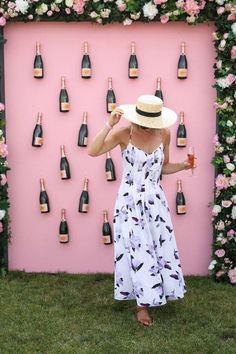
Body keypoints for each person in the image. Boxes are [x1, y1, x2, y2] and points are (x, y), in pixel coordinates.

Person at [88, 95, 196, 327]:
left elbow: (162, 168)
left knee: (157, 247)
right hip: (129, 201)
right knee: (137, 249)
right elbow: (93, 151)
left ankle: (157, 292)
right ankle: (141, 306)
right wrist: (109, 124)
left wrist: (183, 166)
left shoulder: (164, 134)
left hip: (155, 200)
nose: (147, 127)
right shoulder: (124, 134)